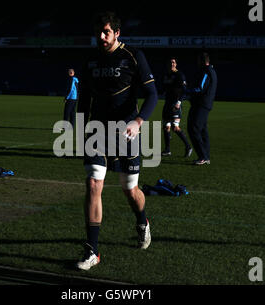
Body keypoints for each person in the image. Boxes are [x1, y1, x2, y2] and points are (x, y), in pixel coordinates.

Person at [76, 11, 158, 270]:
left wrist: (138, 121)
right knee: (93, 184)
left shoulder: (133, 56)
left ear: (117, 33)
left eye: (106, 32)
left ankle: (142, 221)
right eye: (98, 32)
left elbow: (152, 94)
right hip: (97, 130)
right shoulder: (90, 60)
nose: (101, 36)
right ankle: (93, 251)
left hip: (126, 131)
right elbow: (84, 99)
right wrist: (80, 129)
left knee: (130, 190)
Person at [187, 52, 217, 165]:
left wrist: (187, 91)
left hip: (201, 104)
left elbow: (200, 88)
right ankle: (206, 156)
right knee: (203, 130)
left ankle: (202, 156)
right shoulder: (211, 71)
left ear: (202, 61)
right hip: (205, 104)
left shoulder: (206, 71)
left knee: (193, 129)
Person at [161, 57, 192, 157]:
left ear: (176, 64)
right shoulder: (166, 75)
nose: (172, 64)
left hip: (175, 104)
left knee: (175, 127)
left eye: (173, 62)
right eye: (170, 62)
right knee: (166, 127)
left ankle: (188, 147)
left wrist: (179, 102)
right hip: (167, 103)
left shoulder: (179, 75)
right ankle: (167, 150)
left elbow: (184, 90)